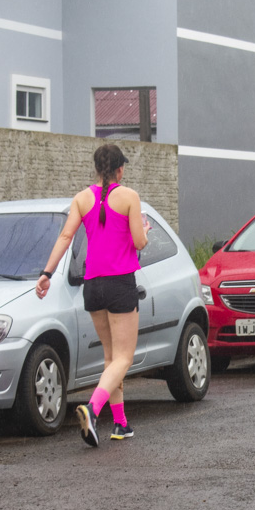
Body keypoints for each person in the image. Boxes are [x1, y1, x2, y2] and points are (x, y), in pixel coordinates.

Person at [36, 144, 150, 445]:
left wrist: (46, 274)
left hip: (92, 286)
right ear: (120, 169)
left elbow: (65, 236)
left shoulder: (81, 199)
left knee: (111, 357)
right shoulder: (129, 197)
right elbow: (139, 242)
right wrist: (145, 231)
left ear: (98, 169)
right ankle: (93, 408)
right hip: (120, 283)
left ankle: (121, 424)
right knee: (124, 358)